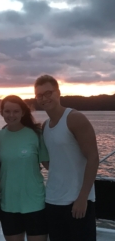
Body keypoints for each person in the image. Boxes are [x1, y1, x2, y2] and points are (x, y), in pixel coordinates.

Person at [34, 75, 99, 241]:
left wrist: (82, 198)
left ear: (58, 93)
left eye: (48, 93)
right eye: (40, 95)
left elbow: (93, 157)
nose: (44, 98)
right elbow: (53, 163)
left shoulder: (74, 118)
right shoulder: (45, 126)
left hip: (76, 201)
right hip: (53, 200)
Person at [0, 95, 49, 241]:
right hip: (8, 204)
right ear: (1, 112)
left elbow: (49, 165)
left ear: (22, 113)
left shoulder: (36, 134)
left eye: (15, 111)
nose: (11, 115)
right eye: (7, 111)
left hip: (35, 203)